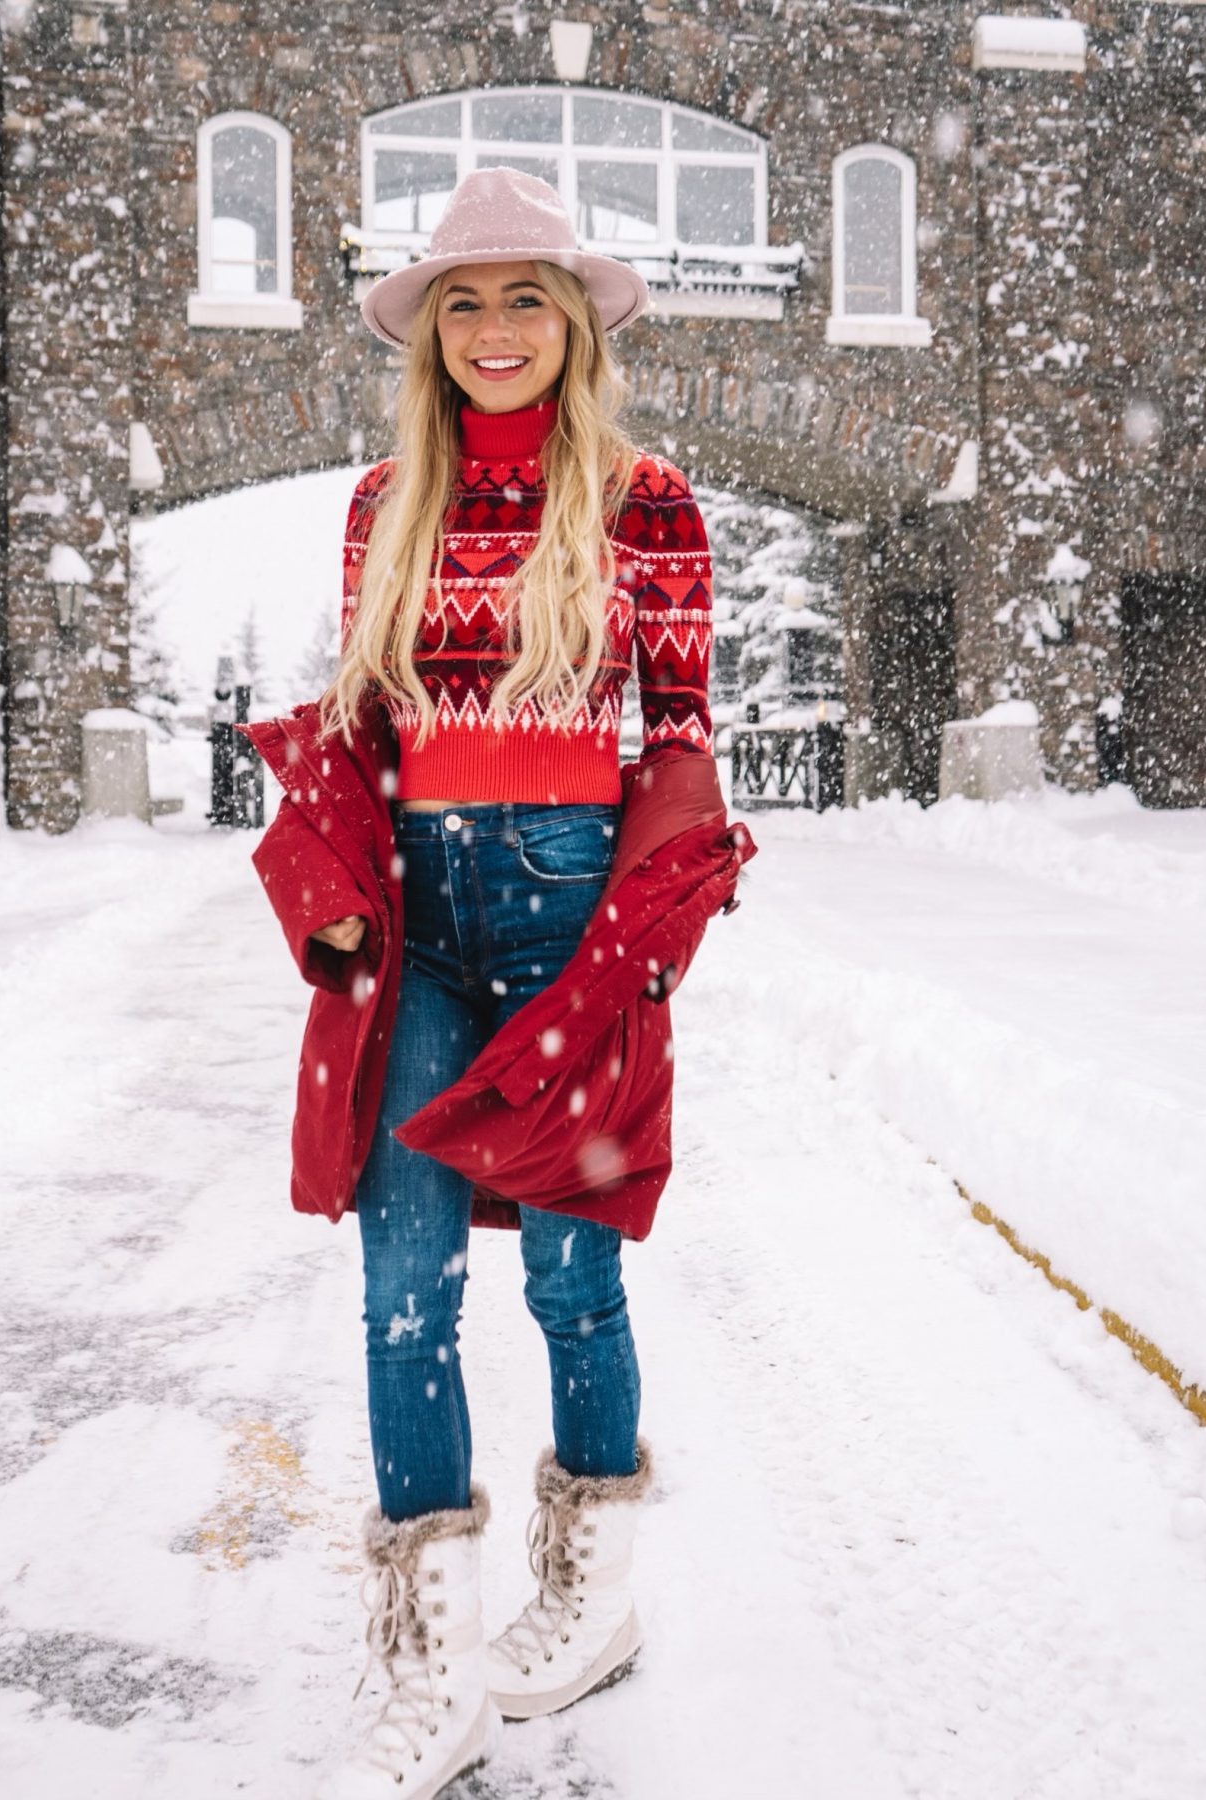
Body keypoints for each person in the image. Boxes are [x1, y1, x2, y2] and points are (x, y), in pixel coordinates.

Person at [288, 167, 718, 1800]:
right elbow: (360, 733)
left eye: (522, 298)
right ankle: (435, 1666)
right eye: (461, 302)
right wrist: (330, 892)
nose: (490, 329)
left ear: (572, 322)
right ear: (429, 333)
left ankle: (593, 1600)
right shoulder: (382, 505)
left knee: (569, 1279)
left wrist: (644, 940)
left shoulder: (645, 503)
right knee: (401, 1287)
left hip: (566, 903)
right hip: (416, 915)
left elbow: (679, 738)